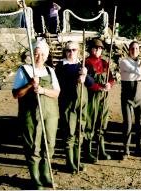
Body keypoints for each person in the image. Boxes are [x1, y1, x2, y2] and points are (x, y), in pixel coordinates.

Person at [12, 40, 60, 189]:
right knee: (33, 146)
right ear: (32, 55)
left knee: (49, 145)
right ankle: (35, 178)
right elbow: (16, 94)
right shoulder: (24, 70)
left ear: (46, 56)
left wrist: (43, 90)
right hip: (31, 115)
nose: (39, 56)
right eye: (36, 53)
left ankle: (46, 175)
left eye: (42, 54)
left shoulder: (51, 71)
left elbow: (57, 93)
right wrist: (29, 84)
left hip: (50, 115)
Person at [55, 41, 94, 174]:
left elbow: (91, 83)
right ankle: (69, 162)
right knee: (69, 132)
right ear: (65, 52)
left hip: (82, 104)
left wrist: (85, 75)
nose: (71, 53)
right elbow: (60, 84)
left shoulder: (82, 64)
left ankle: (77, 159)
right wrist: (76, 80)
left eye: (74, 50)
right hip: (68, 104)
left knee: (80, 131)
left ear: (79, 51)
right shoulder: (61, 66)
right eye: (68, 50)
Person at [85, 38, 115, 161]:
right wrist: (99, 87)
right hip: (92, 97)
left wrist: (109, 84)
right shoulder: (86, 63)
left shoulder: (104, 63)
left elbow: (111, 78)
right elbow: (88, 82)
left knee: (102, 122)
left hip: (104, 97)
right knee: (90, 123)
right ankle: (87, 152)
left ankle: (100, 150)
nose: (98, 50)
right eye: (96, 48)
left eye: (100, 48)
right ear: (90, 49)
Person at [119, 41, 141, 159]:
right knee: (128, 124)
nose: (134, 50)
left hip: (140, 97)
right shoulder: (124, 62)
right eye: (132, 48)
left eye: (136, 48)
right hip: (128, 98)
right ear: (128, 49)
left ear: (139, 50)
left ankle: (139, 148)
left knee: (140, 124)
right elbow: (138, 71)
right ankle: (126, 150)